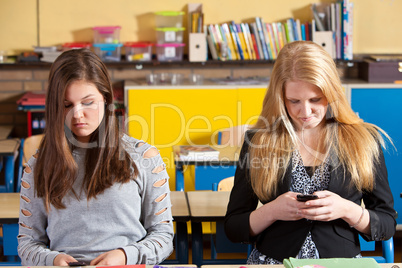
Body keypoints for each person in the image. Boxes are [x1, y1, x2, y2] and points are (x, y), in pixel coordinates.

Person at [224, 41, 397, 264]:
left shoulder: (363, 140)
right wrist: (272, 211)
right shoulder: (258, 142)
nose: (305, 112)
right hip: (273, 261)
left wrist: (346, 209)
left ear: (331, 92)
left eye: (315, 100)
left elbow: (386, 225)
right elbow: (233, 227)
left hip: (340, 262)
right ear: (280, 97)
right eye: (293, 101)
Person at [18, 49, 174, 266]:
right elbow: (28, 244)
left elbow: (163, 236)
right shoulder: (37, 166)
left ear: (106, 99)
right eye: (67, 105)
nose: (78, 114)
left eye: (88, 102)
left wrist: (125, 255)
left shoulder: (144, 157)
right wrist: (52, 260)